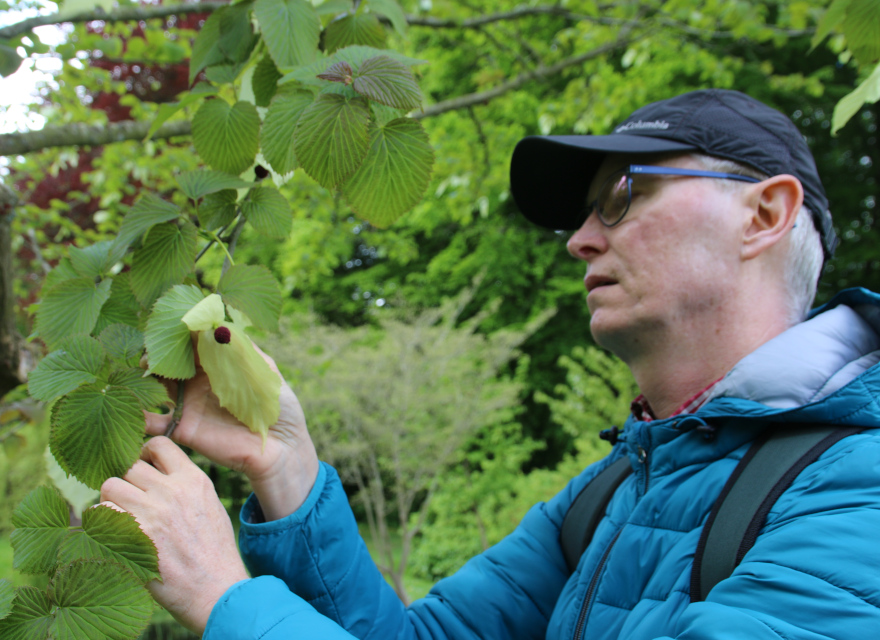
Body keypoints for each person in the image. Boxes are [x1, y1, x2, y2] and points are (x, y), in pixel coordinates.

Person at [99, 89, 880, 639]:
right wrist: (285, 467)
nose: (579, 240)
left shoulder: (856, 495)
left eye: (624, 195)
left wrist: (224, 597)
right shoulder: (610, 492)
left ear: (764, 215)